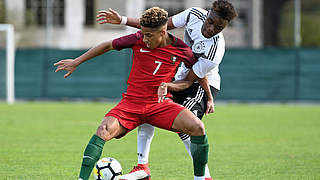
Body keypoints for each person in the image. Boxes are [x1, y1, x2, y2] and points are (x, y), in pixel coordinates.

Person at [54, 7, 212, 180]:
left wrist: (208, 97)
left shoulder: (181, 49)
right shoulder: (137, 39)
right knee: (103, 130)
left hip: (160, 105)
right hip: (131, 104)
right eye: (143, 34)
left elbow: (198, 74)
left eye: (149, 35)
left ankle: (200, 178)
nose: (144, 39)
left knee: (197, 127)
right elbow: (108, 45)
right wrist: (76, 62)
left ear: (163, 32)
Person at [96, 1, 237, 180]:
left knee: (188, 127)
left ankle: (203, 177)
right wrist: (123, 20)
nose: (210, 29)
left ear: (224, 27)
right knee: (148, 105)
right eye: (210, 22)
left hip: (200, 84)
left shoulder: (215, 51)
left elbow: (190, 81)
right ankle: (142, 166)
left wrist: (208, 97)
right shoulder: (194, 14)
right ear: (208, 13)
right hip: (180, 75)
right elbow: (159, 26)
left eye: (218, 28)